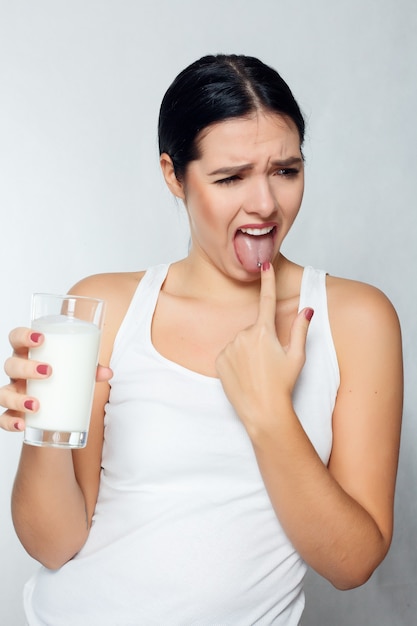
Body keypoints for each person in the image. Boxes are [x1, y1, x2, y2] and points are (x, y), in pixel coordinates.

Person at [0, 54, 403, 625]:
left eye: (286, 170)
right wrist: (42, 427)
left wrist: (269, 414)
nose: (264, 204)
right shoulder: (107, 307)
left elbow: (352, 563)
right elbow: (53, 545)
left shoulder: (357, 320)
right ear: (173, 174)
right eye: (231, 177)